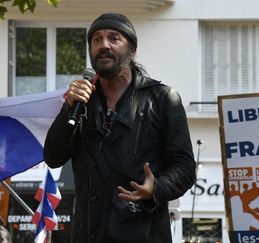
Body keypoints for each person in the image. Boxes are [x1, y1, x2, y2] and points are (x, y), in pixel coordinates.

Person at [44, 12, 196, 243]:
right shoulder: (82, 102)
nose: (104, 45)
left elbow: (185, 168)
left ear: (132, 50)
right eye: (96, 39)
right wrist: (68, 109)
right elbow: (53, 157)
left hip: (144, 234)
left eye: (114, 38)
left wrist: (157, 187)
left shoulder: (163, 99)